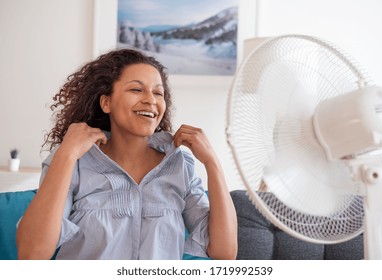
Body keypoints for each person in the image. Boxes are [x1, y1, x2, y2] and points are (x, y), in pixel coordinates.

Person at [16, 48, 237, 260]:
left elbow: (224, 252)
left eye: (158, 92)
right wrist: (66, 155)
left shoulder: (179, 164)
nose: (150, 100)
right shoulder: (74, 159)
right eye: (136, 89)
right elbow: (32, 254)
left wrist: (212, 163)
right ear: (106, 102)